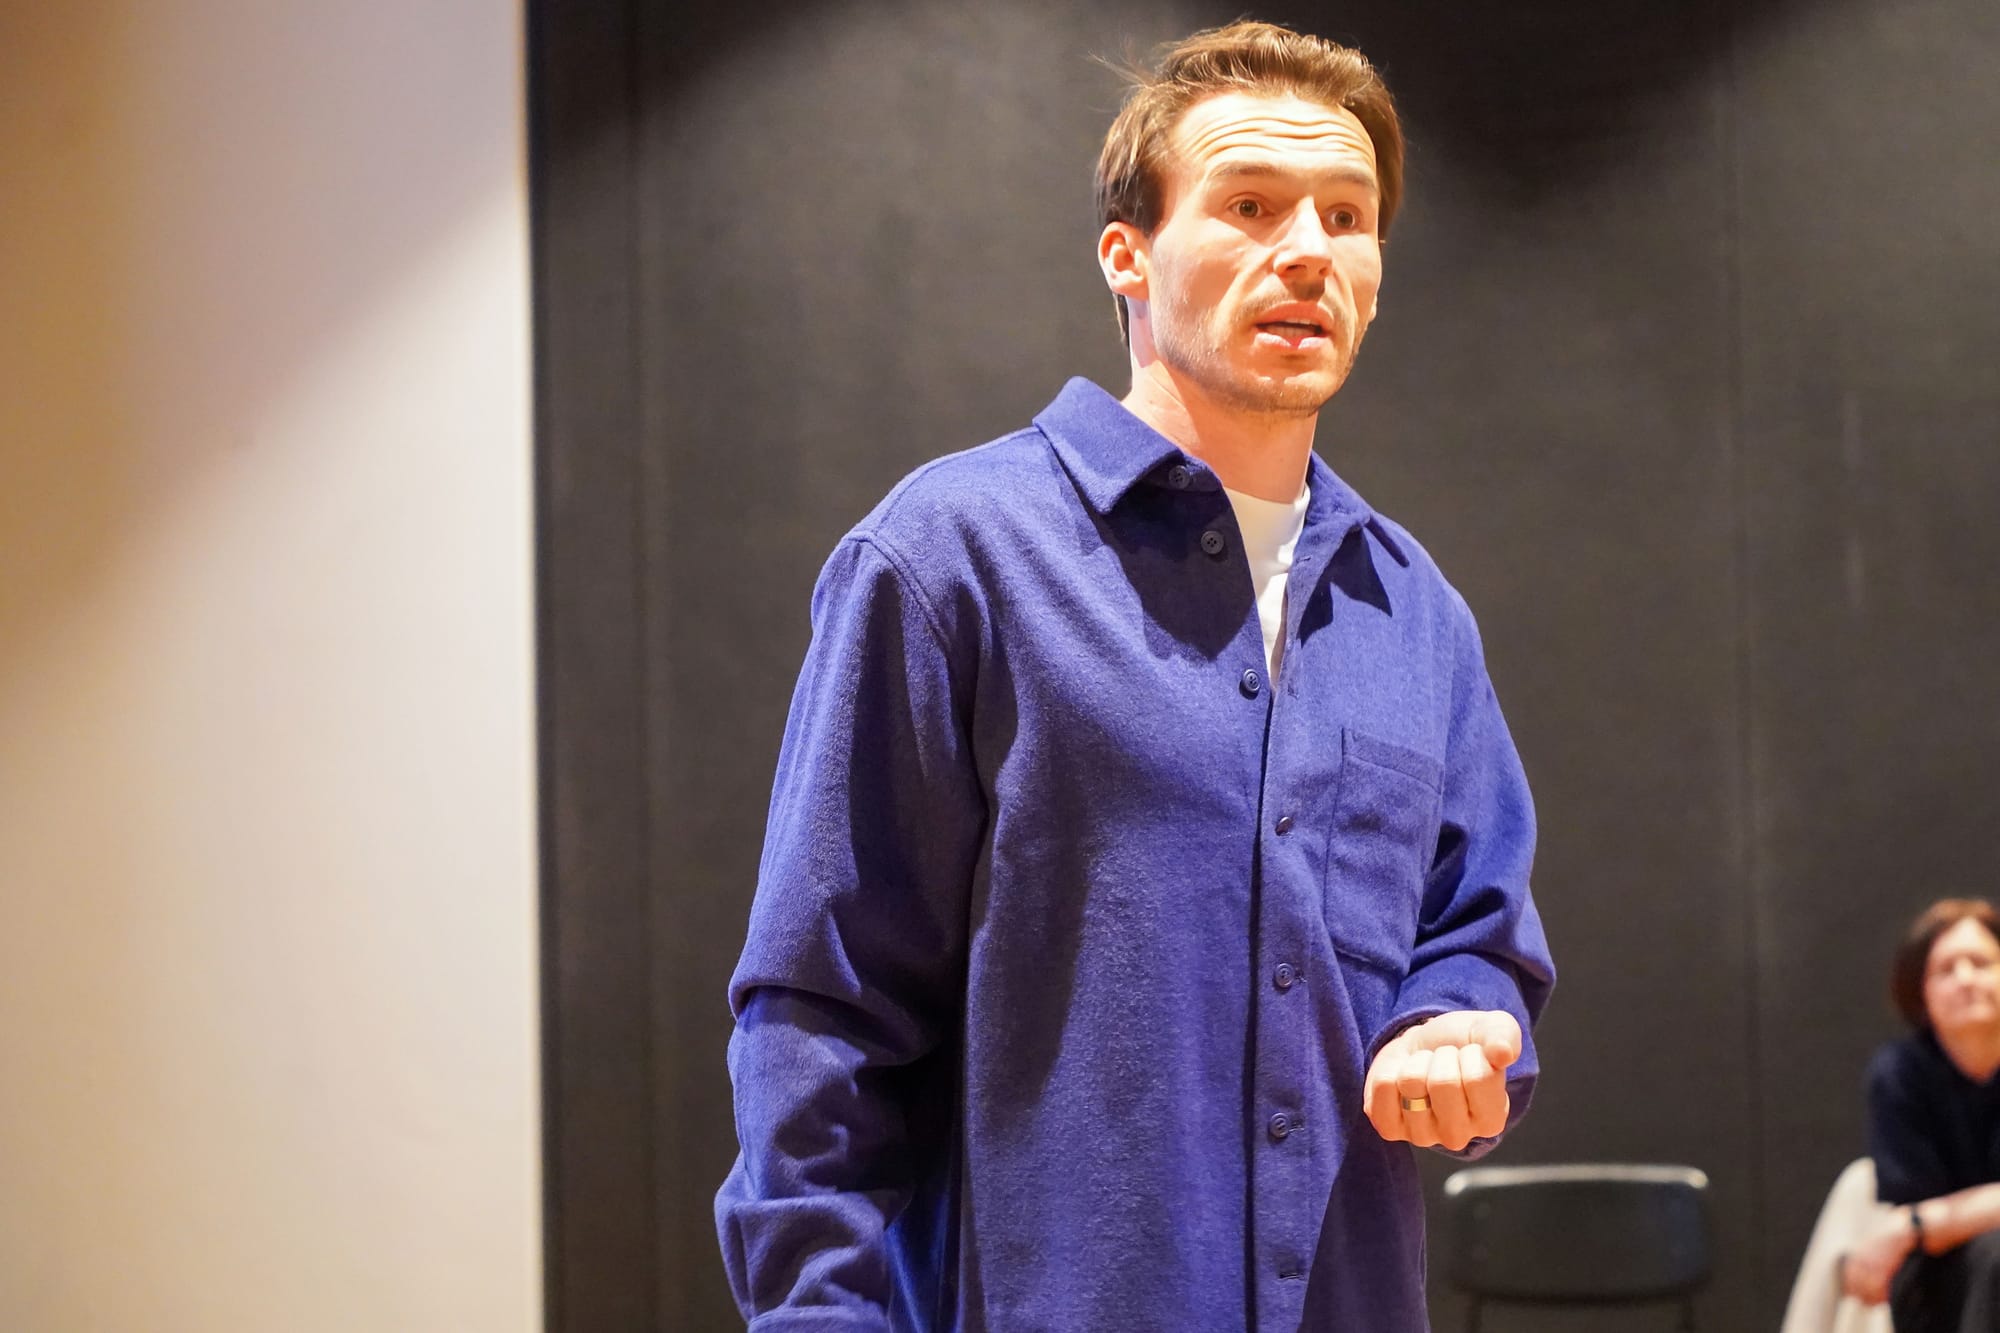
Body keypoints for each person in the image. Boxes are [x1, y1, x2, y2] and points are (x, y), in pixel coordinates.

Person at [715, 20, 1555, 1332]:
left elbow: (1476, 934)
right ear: (1127, 254)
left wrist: (1459, 1018)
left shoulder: (1414, 613)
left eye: (1347, 216)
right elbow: (823, 1013)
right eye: (1250, 205)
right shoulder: (952, 556)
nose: (1308, 250)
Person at [1844, 899, 2000, 1330]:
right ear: (1921, 992)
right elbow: (1914, 1205)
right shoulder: (1899, 1074)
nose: (1966, 979)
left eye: (1981, 963)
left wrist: (1913, 1225)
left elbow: (1910, 1221)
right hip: (1938, 1274)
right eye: (1946, 969)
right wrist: (1921, 1226)